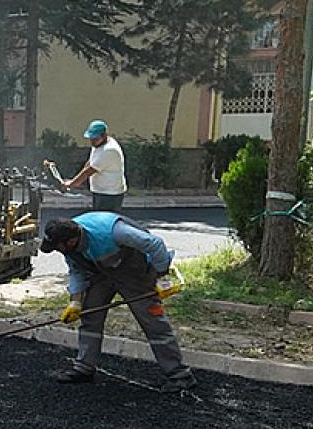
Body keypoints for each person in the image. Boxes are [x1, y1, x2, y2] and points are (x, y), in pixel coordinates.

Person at [39, 212, 197, 393]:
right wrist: (75, 302)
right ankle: (84, 367)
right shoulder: (69, 247)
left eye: (57, 247)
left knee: (153, 322)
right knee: (90, 316)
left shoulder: (114, 231)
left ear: (71, 240)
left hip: (135, 275)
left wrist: (162, 276)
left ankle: (180, 375)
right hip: (102, 275)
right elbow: (77, 272)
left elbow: (155, 244)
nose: (57, 251)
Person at [62, 120, 126, 212]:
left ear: (104, 136)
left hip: (110, 194)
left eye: (94, 138)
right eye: (91, 138)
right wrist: (73, 181)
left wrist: (72, 184)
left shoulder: (109, 150)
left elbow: (89, 171)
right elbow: (89, 163)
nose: (92, 141)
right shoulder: (99, 144)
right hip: (101, 191)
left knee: (104, 222)